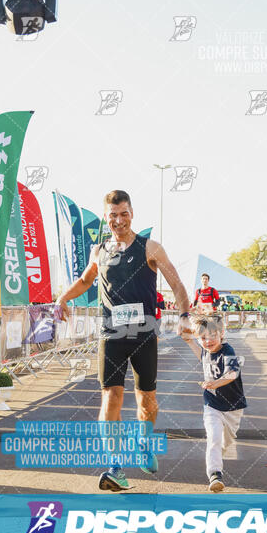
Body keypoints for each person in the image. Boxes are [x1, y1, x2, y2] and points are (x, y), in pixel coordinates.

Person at [56, 190, 191, 490]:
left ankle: (144, 441)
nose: (118, 220)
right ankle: (115, 466)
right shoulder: (98, 251)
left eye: (124, 213)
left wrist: (184, 315)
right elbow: (85, 281)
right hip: (111, 334)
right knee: (111, 396)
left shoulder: (150, 247)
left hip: (144, 334)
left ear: (132, 213)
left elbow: (177, 283)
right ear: (106, 218)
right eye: (113, 215)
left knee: (147, 400)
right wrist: (62, 298)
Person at [182, 315, 247, 492]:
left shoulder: (229, 351)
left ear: (222, 333)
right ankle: (215, 475)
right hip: (212, 404)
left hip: (233, 407)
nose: (208, 341)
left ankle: (217, 459)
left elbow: (232, 373)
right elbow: (201, 355)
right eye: (203, 338)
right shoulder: (204, 350)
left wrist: (216, 383)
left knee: (225, 442)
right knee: (214, 437)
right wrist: (189, 341)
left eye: (212, 336)